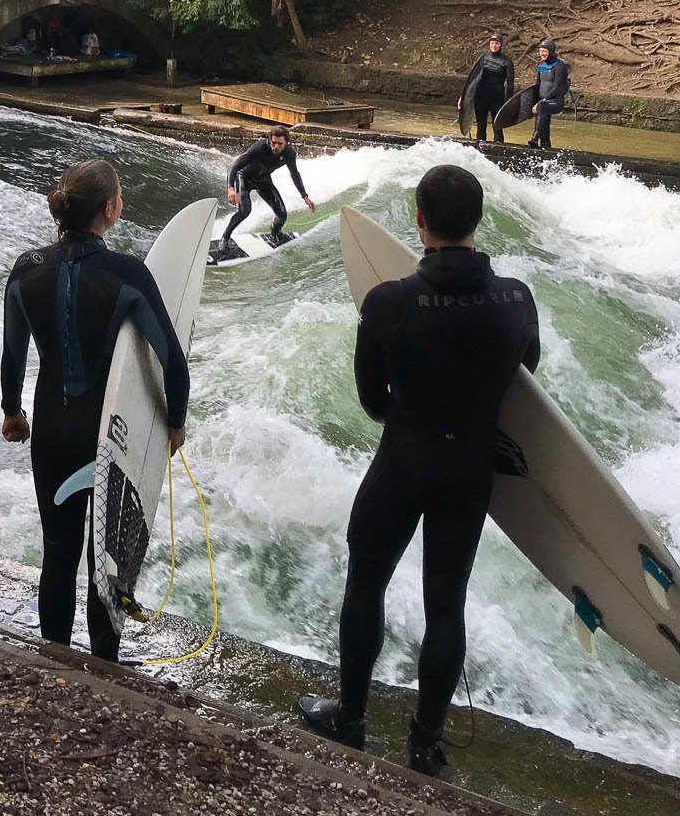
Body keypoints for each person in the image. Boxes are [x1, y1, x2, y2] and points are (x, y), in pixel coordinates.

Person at [298, 164, 540, 776]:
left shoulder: (389, 301)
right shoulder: (517, 300)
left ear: (420, 220)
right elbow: (526, 378)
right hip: (469, 469)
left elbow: (370, 396)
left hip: (405, 459)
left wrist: (409, 419)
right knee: (446, 605)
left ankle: (349, 719)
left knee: (366, 581)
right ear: (478, 221)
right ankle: (425, 744)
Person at [0, 159, 190, 661]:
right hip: (111, 434)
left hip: (52, 430)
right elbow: (171, 358)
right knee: (105, 558)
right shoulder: (126, 274)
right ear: (110, 210)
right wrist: (175, 422)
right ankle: (103, 663)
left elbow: (13, 352)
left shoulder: (26, 269)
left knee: (58, 552)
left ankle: (54, 657)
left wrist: (12, 411)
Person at [216, 125, 316, 254]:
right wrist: (230, 188)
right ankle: (225, 238)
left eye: (280, 144)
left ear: (286, 142)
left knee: (282, 215)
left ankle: (275, 233)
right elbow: (234, 166)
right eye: (273, 142)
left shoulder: (289, 154)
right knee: (245, 210)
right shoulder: (259, 148)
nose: (275, 146)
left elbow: (294, 174)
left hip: (263, 180)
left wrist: (304, 196)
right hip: (244, 178)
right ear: (269, 140)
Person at [458, 32, 514, 144]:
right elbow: (472, 80)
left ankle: (498, 149)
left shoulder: (506, 61)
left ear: (501, 45)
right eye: (492, 43)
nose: (494, 45)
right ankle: (480, 150)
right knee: (481, 125)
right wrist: (463, 97)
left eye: (496, 43)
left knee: (497, 126)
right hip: (481, 97)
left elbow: (510, 83)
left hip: (497, 98)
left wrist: (508, 102)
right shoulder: (483, 58)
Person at [527, 39, 570, 150]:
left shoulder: (560, 67)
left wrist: (542, 101)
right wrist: (533, 102)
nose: (542, 54)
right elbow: (537, 86)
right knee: (544, 132)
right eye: (541, 51)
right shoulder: (541, 67)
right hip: (542, 103)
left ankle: (534, 137)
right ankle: (545, 149)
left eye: (545, 51)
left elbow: (556, 89)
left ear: (551, 51)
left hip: (555, 101)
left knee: (542, 107)